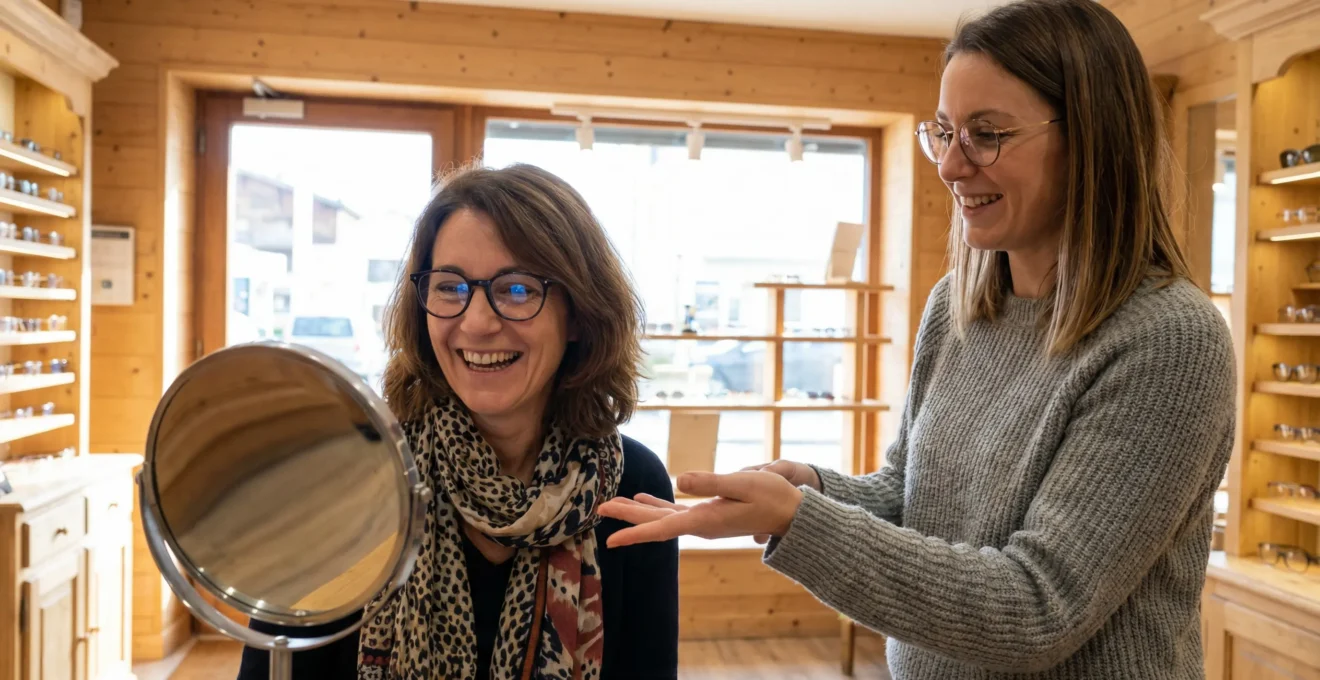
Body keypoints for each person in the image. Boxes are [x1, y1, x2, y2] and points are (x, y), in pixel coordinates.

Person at [598, 1, 1234, 678]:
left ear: (1092, 140)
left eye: (986, 134)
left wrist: (799, 521)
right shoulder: (957, 308)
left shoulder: (1167, 340)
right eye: (944, 132)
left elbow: (1037, 608)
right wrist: (813, 490)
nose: (951, 167)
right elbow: (913, 496)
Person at [237, 163, 679, 679]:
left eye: (517, 290)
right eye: (450, 287)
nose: (476, 322)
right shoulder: (348, 475)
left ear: (579, 314)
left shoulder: (633, 484)